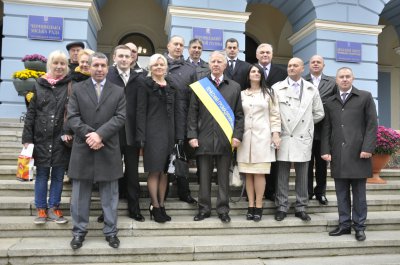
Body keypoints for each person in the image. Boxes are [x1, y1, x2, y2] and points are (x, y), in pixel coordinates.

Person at [67, 52, 126, 250]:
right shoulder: (77, 88)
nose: (99, 69)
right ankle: (78, 232)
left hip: (108, 147)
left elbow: (120, 117)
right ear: (89, 67)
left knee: (110, 196)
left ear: (108, 68)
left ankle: (111, 232)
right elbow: (72, 117)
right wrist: (90, 136)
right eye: (96, 65)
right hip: (83, 148)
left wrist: (100, 135)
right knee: (79, 196)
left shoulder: (118, 91)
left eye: (103, 65)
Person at [321, 67, 377, 242]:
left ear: (353, 78)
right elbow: (326, 129)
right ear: (336, 80)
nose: (344, 79)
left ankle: (359, 227)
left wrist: (368, 147)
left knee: (359, 194)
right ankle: (344, 225)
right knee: (341, 193)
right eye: (341, 77)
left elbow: (371, 125)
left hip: (359, 153)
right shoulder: (330, 101)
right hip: (338, 154)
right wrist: (325, 150)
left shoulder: (365, 97)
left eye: (347, 76)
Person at [188, 51, 244, 223]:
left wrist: (237, 136)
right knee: (203, 177)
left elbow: (239, 115)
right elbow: (192, 113)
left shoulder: (234, 87)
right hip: (203, 138)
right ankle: (204, 209)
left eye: (220, 61)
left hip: (225, 139)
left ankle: (223, 209)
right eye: (213, 61)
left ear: (225, 65)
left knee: (223, 178)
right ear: (209, 64)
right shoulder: (201, 86)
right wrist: (192, 135)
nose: (216, 64)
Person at [22, 50, 72, 225]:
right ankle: (41, 208)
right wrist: (27, 139)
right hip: (41, 138)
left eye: (62, 63)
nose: (59, 66)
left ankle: (54, 208)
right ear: (49, 65)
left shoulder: (69, 85)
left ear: (66, 66)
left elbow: (72, 112)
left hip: (61, 139)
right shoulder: (39, 84)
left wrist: (69, 132)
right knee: (42, 174)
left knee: (58, 175)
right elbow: (31, 113)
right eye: (55, 63)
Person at [273, 57, 324, 222]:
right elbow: (273, 113)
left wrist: (307, 125)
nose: (291, 68)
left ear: (303, 69)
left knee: (303, 174)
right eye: (289, 65)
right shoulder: (277, 88)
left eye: (295, 65)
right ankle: (281, 206)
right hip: (284, 135)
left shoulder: (311, 89)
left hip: (303, 136)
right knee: (282, 173)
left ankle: (301, 207)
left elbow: (319, 113)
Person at [136, 54, 183, 223]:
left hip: (170, 134)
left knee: (166, 172)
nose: (159, 67)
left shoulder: (172, 85)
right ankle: (154, 206)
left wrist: (179, 136)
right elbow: (140, 112)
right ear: (150, 67)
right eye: (155, 64)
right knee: (155, 170)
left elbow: (178, 112)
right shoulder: (144, 84)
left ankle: (162, 205)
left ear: (166, 67)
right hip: (152, 134)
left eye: (161, 64)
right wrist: (141, 136)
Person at [237, 64, 281, 222]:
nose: (255, 73)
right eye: (252, 71)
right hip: (245, 139)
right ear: (248, 75)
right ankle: (250, 205)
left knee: (259, 172)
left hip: (263, 138)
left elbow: (275, 115)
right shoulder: (241, 94)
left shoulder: (269, 93)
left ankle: (259, 205)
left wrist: (276, 134)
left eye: (258, 72)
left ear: (262, 75)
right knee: (248, 173)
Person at [107, 44, 145, 222]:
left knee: (132, 173)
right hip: (112, 133)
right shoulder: (107, 75)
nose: (123, 59)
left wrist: (141, 134)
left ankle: (134, 207)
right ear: (114, 57)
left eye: (127, 56)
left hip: (132, 133)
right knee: (111, 173)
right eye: (120, 56)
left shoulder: (140, 78)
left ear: (132, 59)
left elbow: (142, 108)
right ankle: (107, 210)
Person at [164, 35, 197, 204]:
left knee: (182, 156)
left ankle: (184, 191)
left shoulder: (191, 70)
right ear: (168, 45)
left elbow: (194, 100)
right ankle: (162, 192)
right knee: (163, 156)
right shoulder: (160, 65)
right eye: (175, 44)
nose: (178, 47)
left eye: (181, 45)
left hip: (183, 120)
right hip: (163, 120)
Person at [256, 43, 287, 202]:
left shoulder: (281, 73)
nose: (265, 54)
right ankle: (256, 193)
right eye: (262, 52)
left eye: (268, 52)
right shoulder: (251, 70)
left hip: (274, 121)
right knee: (257, 158)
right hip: (255, 123)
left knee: (273, 159)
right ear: (257, 55)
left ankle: (272, 191)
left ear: (272, 55)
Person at [305, 55, 336, 205]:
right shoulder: (303, 80)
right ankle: (308, 192)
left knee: (322, 163)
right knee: (307, 163)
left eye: (318, 62)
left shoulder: (331, 82)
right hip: (305, 129)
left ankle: (321, 192)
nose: (315, 64)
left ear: (324, 65)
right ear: (309, 65)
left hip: (324, 129)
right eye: (313, 62)